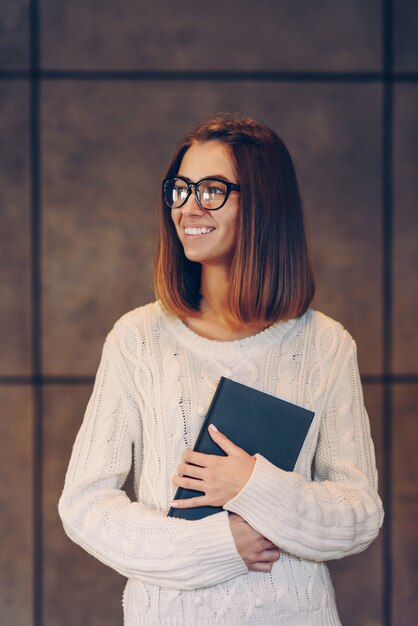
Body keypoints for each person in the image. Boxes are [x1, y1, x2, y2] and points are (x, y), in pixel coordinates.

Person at [58, 114, 384, 625]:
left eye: (211, 190)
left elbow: (360, 515)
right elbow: (85, 505)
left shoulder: (325, 346)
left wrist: (256, 484)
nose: (188, 207)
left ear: (263, 203)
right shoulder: (137, 339)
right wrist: (217, 544)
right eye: (180, 189)